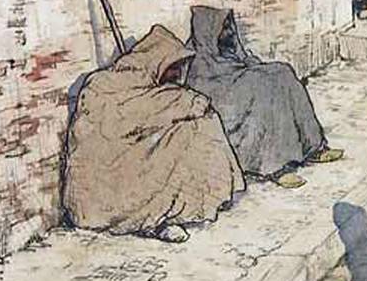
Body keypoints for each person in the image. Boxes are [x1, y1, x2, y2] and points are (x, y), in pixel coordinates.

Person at [62, 26, 245, 243]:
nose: (177, 75)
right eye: (174, 67)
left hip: (131, 163)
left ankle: (186, 206)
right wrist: (182, 103)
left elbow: (157, 111)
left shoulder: (149, 85)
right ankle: (156, 218)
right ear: (158, 60)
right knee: (191, 131)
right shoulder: (105, 84)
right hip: (104, 186)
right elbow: (129, 117)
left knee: (200, 125)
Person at [185, 7, 343, 190]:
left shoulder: (228, 49)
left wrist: (257, 70)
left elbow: (244, 61)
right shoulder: (199, 63)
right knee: (262, 91)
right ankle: (275, 167)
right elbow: (215, 94)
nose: (228, 32)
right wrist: (251, 79)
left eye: (229, 27)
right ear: (209, 32)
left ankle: (313, 147)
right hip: (230, 111)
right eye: (223, 28)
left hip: (242, 88)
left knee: (283, 73)